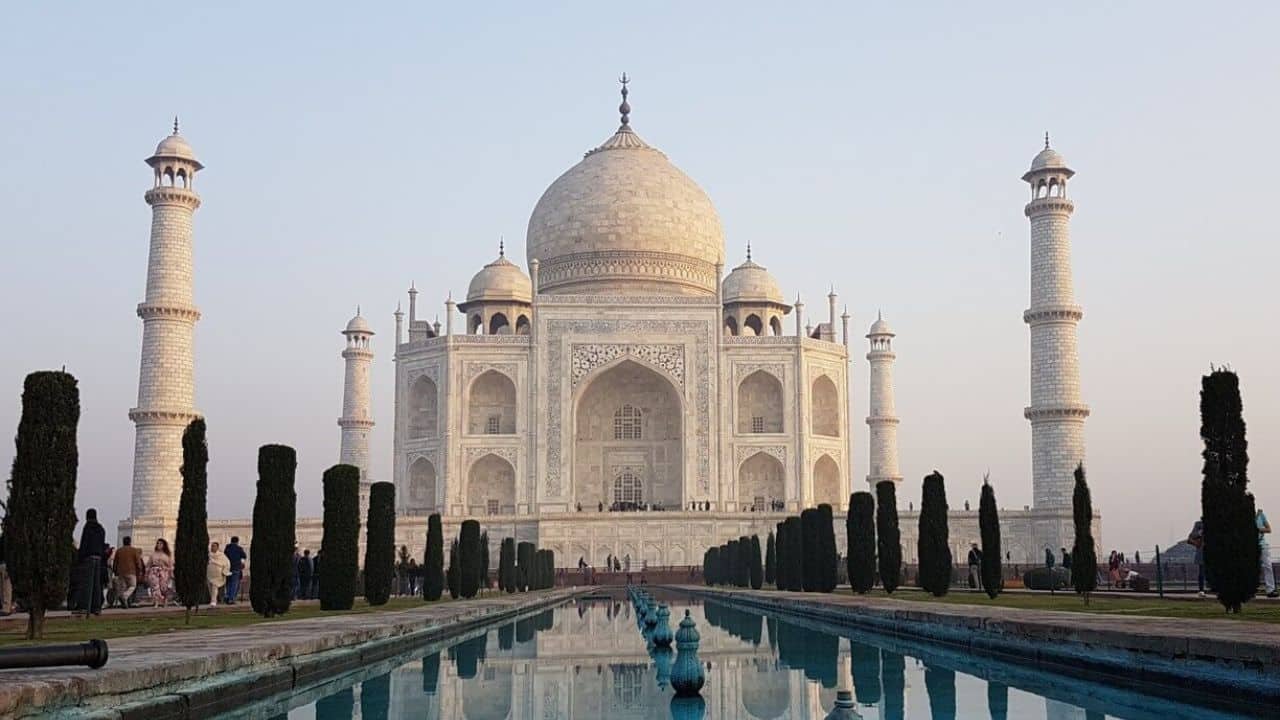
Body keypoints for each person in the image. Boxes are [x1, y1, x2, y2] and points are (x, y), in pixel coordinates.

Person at [76, 508, 107, 615]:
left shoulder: (87, 527)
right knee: (97, 584)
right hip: (99, 558)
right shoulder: (101, 529)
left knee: (87, 583)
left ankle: (84, 607)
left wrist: (80, 558)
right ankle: (96, 607)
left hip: (89, 557)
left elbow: (84, 543)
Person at [112, 536, 145, 608]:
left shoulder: (119, 551)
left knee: (124, 588)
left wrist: (115, 571)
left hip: (121, 572)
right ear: (130, 542)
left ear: (123, 542)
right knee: (133, 586)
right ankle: (124, 596)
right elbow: (138, 562)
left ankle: (125, 603)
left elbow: (115, 562)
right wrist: (139, 570)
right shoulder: (134, 550)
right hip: (131, 571)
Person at [146, 539, 175, 607]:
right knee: (155, 587)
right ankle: (156, 602)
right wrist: (147, 573)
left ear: (164, 545)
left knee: (163, 588)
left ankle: (165, 600)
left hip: (164, 572)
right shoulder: (153, 554)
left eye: (160, 544)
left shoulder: (167, 555)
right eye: (158, 543)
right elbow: (149, 564)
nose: (159, 545)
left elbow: (170, 565)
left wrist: (171, 572)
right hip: (154, 572)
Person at [1259, 508, 1277, 598]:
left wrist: (1258, 529)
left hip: (1262, 545)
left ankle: (1270, 590)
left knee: (1268, 566)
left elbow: (1269, 529)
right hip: (1250, 545)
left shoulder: (1260, 515)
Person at [223, 536, 246, 604]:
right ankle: (231, 598)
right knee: (234, 583)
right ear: (237, 541)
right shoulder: (238, 548)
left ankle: (227, 596)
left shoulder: (227, 548)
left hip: (228, 568)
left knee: (228, 583)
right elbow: (244, 556)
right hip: (236, 567)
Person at [206, 541, 231, 607]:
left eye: (214, 546)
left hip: (218, 575)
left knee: (214, 587)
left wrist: (225, 571)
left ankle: (213, 601)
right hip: (209, 574)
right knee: (210, 588)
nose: (213, 547)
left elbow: (227, 563)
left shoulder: (221, 555)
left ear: (217, 547)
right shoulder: (208, 555)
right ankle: (214, 599)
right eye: (212, 546)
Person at [1187, 519, 1206, 597]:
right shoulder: (1199, 524)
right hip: (1202, 551)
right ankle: (1201, 590)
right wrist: (1200, 533)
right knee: (1202, 571)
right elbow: (1191, 537)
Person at [0, 530, 12, 616]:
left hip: (5, 564)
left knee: (6, 587)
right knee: (2, 588)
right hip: (1, 563)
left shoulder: (7, 540)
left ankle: (7, 608)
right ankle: (4, 607)